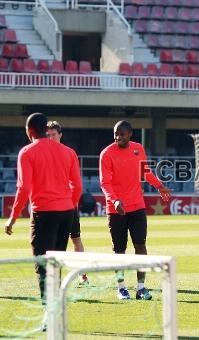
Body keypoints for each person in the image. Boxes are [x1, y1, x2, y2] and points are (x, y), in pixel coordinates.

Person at [4, 112, 82, 330]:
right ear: (47, 130)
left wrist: (12, 218)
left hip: (44, 214)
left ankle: (50, 315)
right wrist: (69, 205)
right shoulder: (68, 152)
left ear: (30, 131)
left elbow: (24, 188)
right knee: (55, 264)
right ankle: (56, 310)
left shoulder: (27, 152)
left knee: (42, 266)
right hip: (66, 212)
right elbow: (78, 186)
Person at [99, 120, 171, 300]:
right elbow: (105, 183)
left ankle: (141, 288)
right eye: (115, 134)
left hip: (137, 206)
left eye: (121, 134)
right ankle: (121, 288)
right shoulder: (106, 154)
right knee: (119, 251)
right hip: (116, 210)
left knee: (140, 246)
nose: (118, 137)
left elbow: (145, 172)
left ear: (130, 134)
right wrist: (115, 201)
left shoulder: (138, 149)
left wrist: (159, 186)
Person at [47, 120, 89, 285]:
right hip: (49, 205)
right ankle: (52, 278)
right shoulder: (42, 154)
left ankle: (82, 273)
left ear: (60, 135)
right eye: (48, 135)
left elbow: (76, 182)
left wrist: (71, 203)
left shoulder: (69, 153)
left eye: (53, 134)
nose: (51, 137)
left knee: (75, 239)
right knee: (51, 242)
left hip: (68, 204)